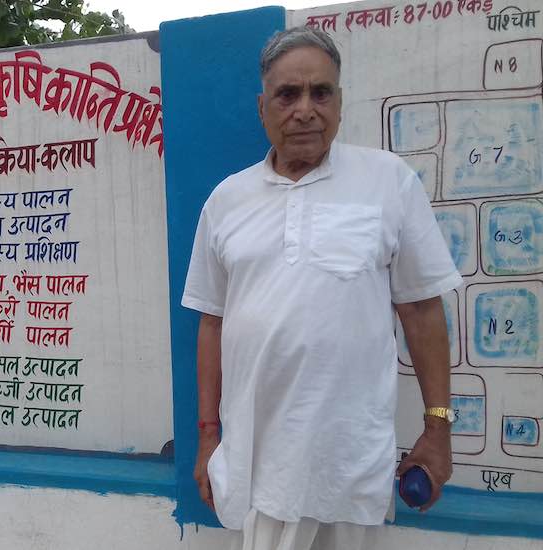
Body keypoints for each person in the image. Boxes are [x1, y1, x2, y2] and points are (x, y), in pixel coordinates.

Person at [182, 26, 461, 550]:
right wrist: (208, 438)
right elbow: (212, 322)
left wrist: (438, 429)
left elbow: (423, 311)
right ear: (263, 106)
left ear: (339, 100)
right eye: (288, 94)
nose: (305, 109)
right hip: (257, 461)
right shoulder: (226, 201)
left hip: (348, 462)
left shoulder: (388, 181)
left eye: (321, 93)